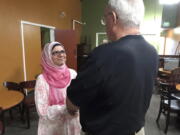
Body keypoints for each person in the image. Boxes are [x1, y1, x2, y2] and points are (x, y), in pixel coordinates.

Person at [66, 0, 159, 135]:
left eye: (105, 19)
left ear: (113, 18)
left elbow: (72, 103)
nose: (104, 24)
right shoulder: (152, 52)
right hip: (138, 130)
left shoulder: (103, 55)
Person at [35, 41, 81, 135]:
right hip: (53, 128)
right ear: (48, 57)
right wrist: (68, 108)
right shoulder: (42, 79)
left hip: (72, 124)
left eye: (62, 51)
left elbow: (79, 97)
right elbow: (42, 111)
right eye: (55, 53)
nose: (61, 55)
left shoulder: (73, 74)